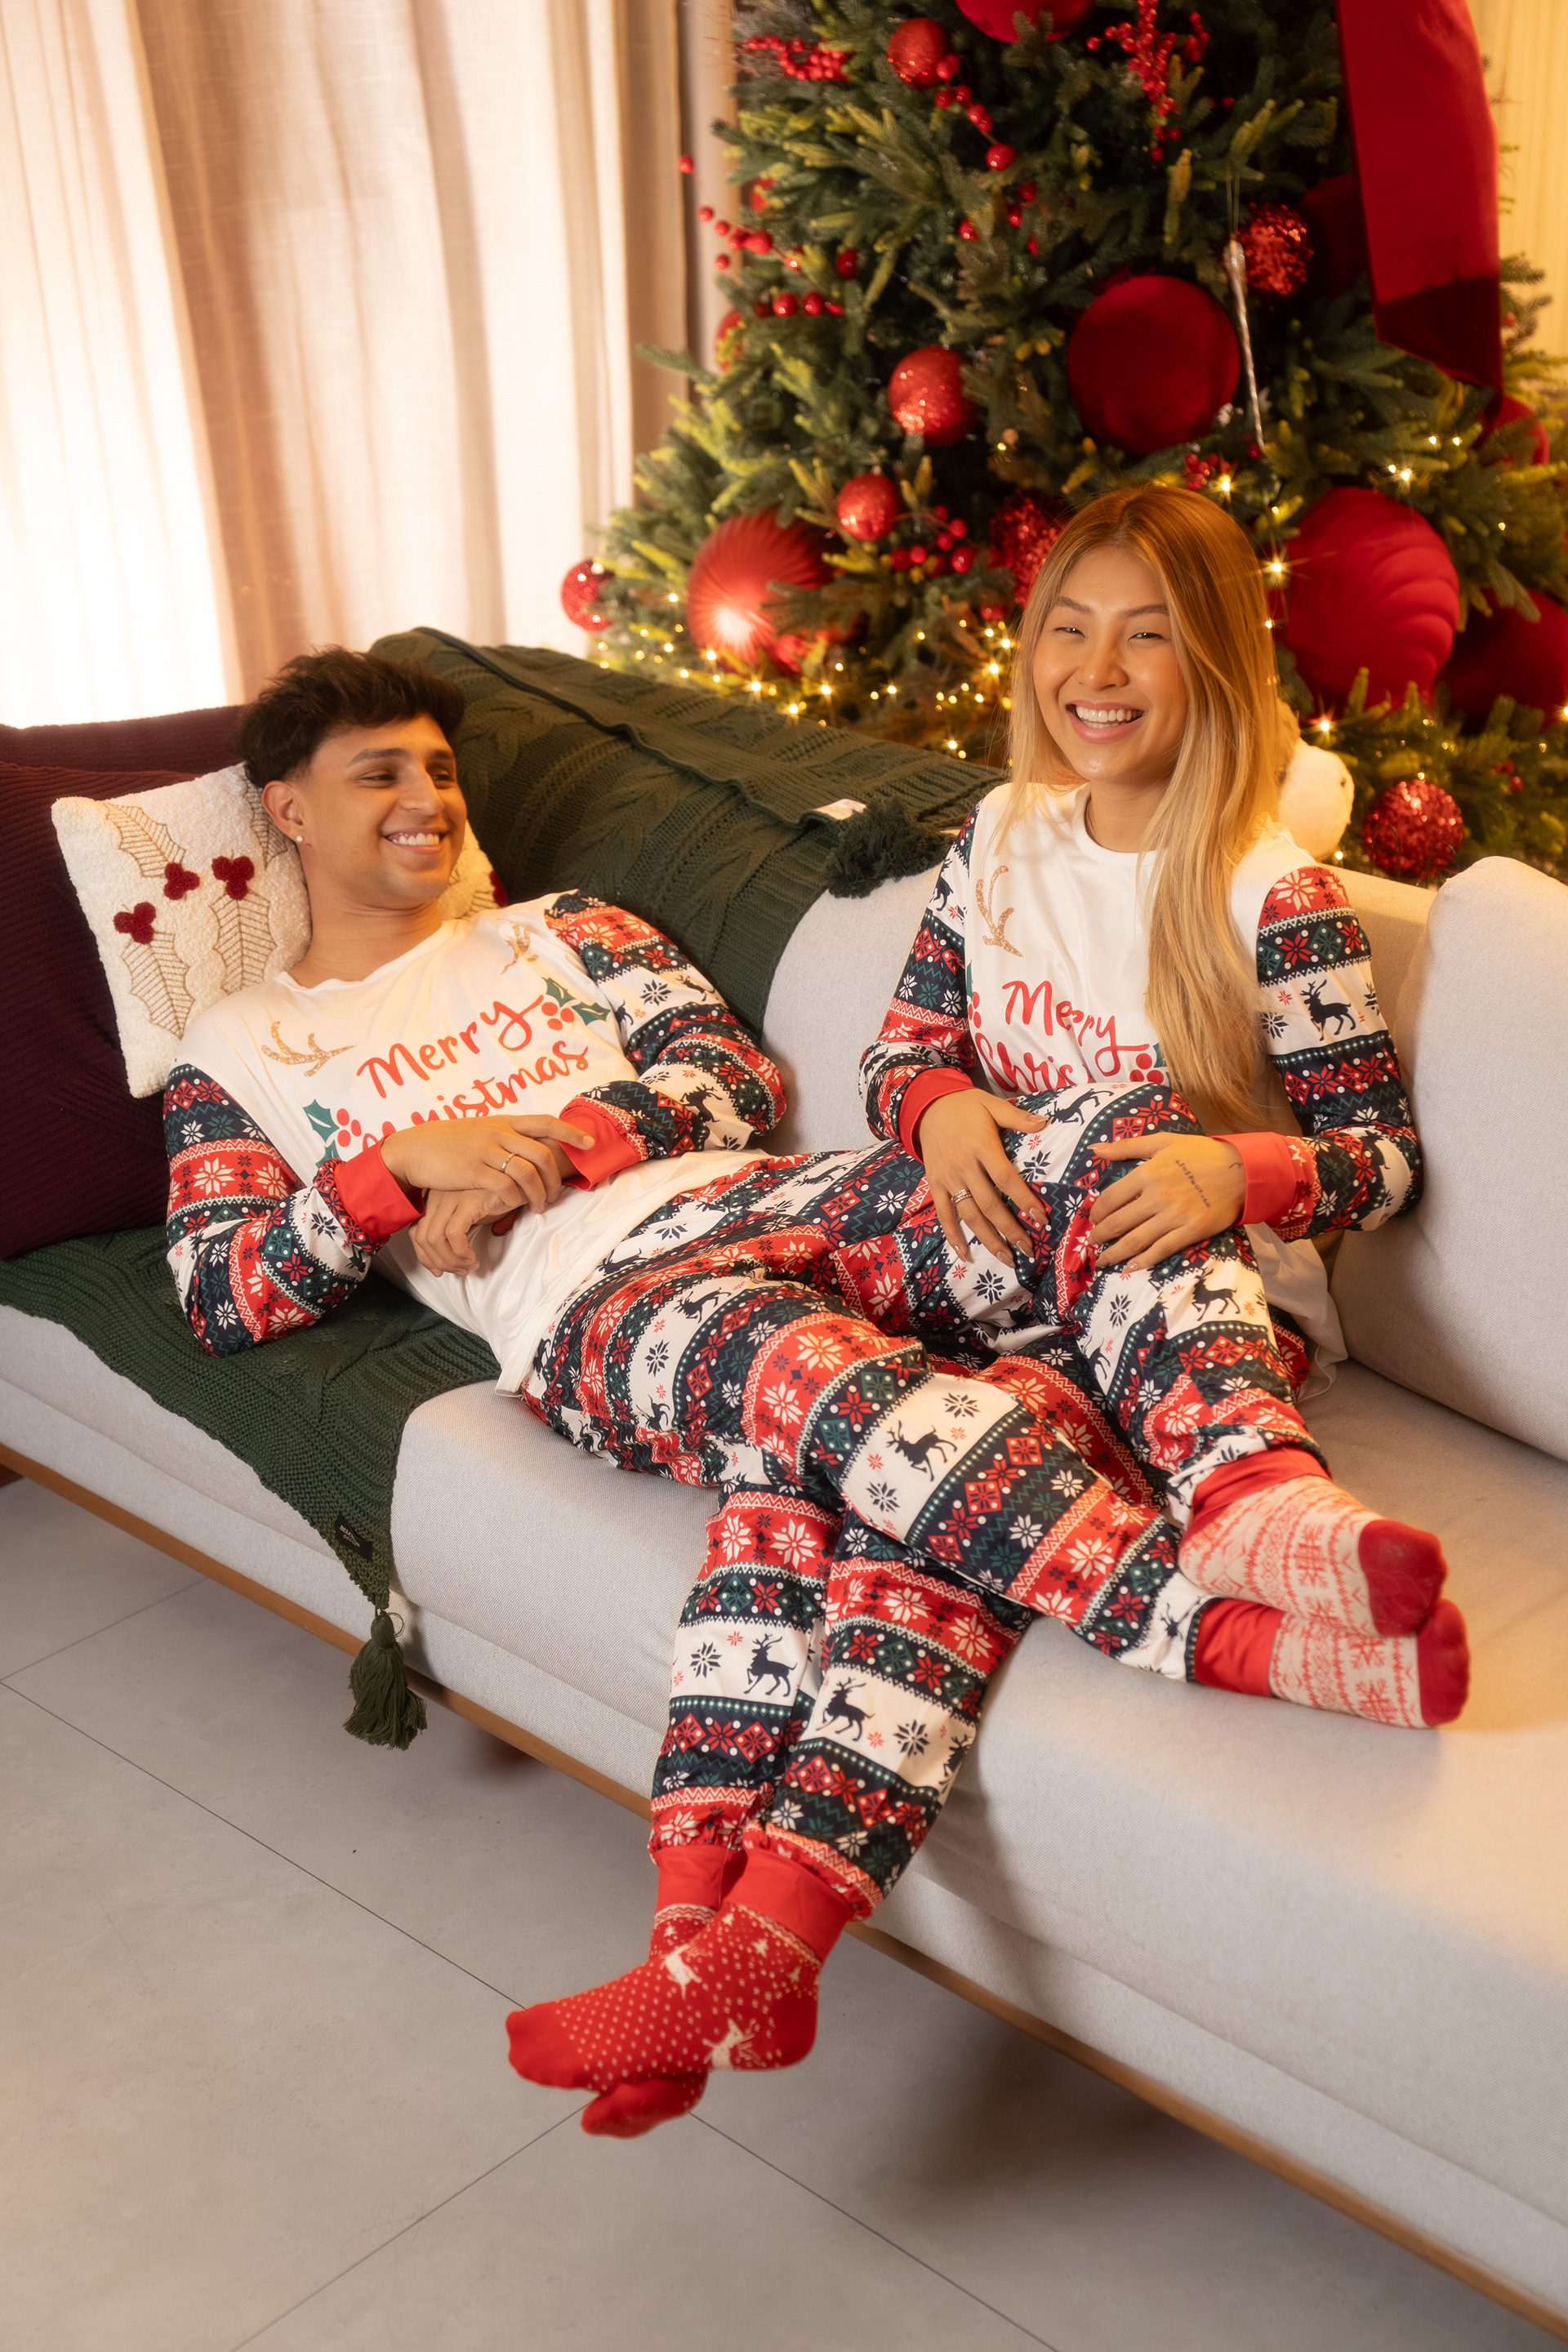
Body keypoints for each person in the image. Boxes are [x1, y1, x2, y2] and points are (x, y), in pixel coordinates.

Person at [163, 602, 1464, 2145]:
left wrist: (551, 1146)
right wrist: (391, 1175)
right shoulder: (238, 1049)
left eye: (440, 771)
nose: (426, 801)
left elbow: (731, 1078)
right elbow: (222, 1290)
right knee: (836, 1400)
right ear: (286, 811)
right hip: (604, 1306)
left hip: (783, 1200)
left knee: (1113, 1144)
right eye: (380, 774)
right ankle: (1232, 1635)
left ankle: (1248, 1501)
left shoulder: (569, 932)